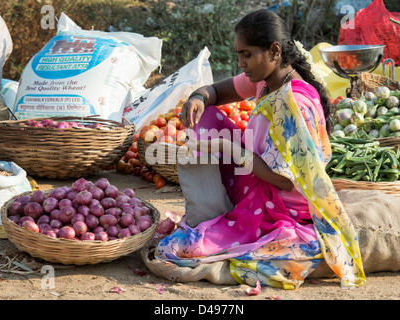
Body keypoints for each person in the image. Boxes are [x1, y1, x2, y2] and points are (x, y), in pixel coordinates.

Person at [154, 9, 366, 290]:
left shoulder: (294, 105)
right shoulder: (266, 81)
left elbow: (286, 180)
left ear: (274, 51)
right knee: (205, 115)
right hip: (255, 172)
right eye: (239, 55)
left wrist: (228, 148)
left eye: (247, 54)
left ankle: (228, 216)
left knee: (179, 248)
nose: (241, 63)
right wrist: (198, 96)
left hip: (283, 202)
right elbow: (217, 91)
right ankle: (213, 209)